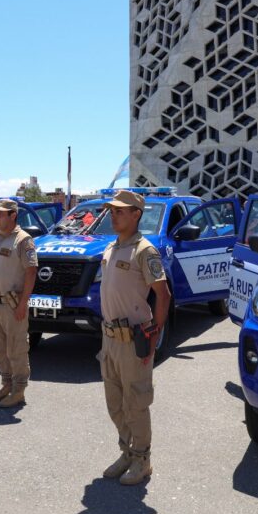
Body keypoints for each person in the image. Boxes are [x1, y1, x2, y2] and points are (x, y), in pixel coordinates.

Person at [98, 190, 171, 485]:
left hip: (133, 340)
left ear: (136, 214)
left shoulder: (145, 251)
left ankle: (142, 459)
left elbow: (163, 294)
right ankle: (127, 451)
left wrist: (155, 332)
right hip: (109, 338)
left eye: (120, 211)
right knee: (115, 402)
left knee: (136, 402)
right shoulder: (112, 247)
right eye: (112, 211)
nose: (114, 216)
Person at [0, 199, 38, 407]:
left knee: (16, 349)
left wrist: (24, 303)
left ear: (13, 215)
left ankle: (19, 389)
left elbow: (31, 272)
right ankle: (6, 384)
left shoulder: (23, 240)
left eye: (0, 214)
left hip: (13, 306)